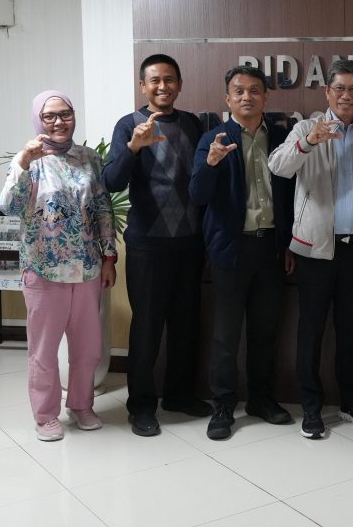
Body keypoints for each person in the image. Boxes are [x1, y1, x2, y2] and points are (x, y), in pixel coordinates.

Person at [268, 60, 353, 439]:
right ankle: (311, 408)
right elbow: (278, 166)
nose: (346, 95)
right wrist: (309, 142)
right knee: (311, 330)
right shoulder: (306, 128)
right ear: (327, 92)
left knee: (351, 330)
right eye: (339, 88)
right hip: (315, 249)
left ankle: (352, 403)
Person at [0, 90, 117, 441]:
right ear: (38, 120)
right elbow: (9, 205)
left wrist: (109, 257)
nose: (58, 121)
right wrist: (23, 161)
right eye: (49, 116)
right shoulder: (30, 159)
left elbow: (103, 208)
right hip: (43, 269)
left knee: (88, 346)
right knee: (44, 349)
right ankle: (45, 415)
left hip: (87, 267)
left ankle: (81, 405)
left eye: (65, 113)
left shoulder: (90, 158)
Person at [102, 54, 210, 438]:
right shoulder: (129, 124)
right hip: (148, 244)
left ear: (179, 84)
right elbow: (111, 182)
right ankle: (142, 405)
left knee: (185, 324)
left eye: (169, 79)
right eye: (154, 80)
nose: (162, 86)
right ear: (143, 86)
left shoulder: (192, 123)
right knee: (147, 327)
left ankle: (179, 395)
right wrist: (133, 148)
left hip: (190, 243)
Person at [189, 65, 295, 441]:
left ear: (266, 96)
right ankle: (223, 405)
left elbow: (290, 194)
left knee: (265, 330)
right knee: (226, 334)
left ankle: (261, 399)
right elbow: (198, 195)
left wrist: (288, 243)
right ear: (228, 98)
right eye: (239, 91)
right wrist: (211, 163)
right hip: (230, 250)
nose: (247, 96)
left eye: (254, 90)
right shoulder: (213, 138)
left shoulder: (280, 136)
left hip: (271, 247)